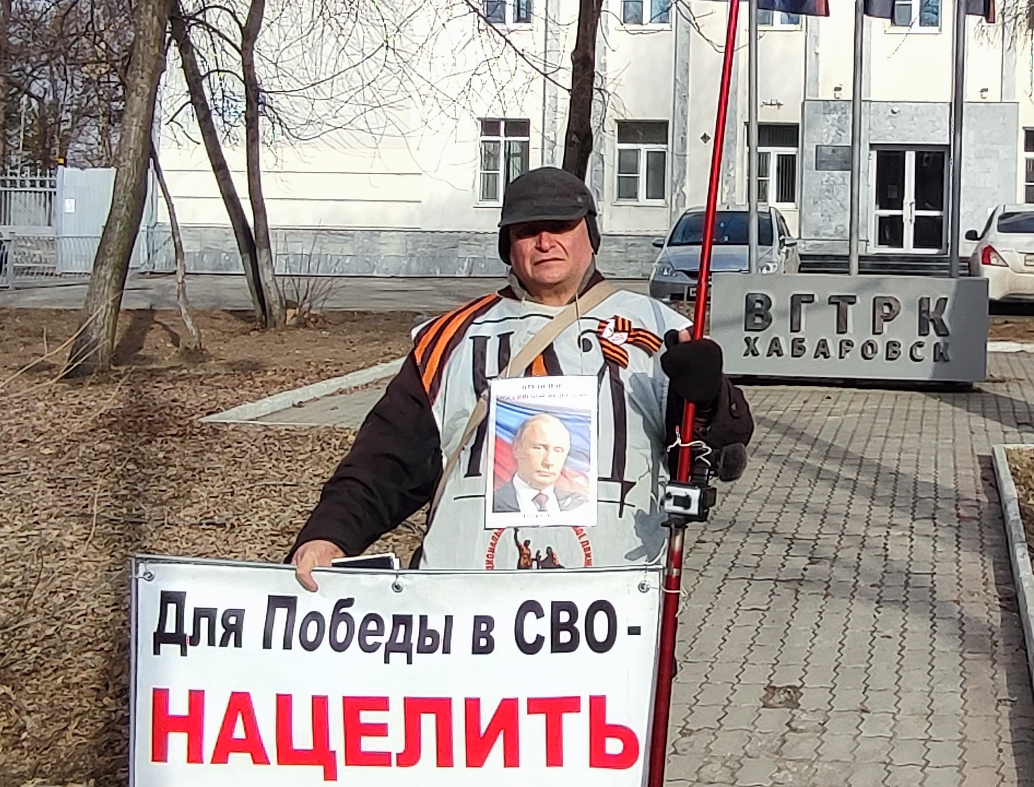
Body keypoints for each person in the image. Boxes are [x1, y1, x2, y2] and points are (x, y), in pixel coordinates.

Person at [288, 167, 751, 580]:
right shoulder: (449, 339)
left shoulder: (660, 331)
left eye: (560, 226)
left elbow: (718, 452)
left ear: (590, 234)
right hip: (465, 608)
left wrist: (707, 397)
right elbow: (386, 459)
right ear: (507, 246)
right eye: (527, 231)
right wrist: (331, 535)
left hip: (612, 603)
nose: (545, 242)